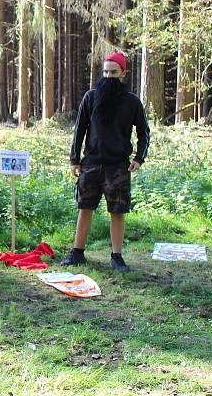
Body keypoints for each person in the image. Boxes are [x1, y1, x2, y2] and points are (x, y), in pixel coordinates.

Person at [62, 52, 150, 272]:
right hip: (90, 164)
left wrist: (139, 158)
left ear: (123, 74)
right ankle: (77, 252)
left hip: (118, 167)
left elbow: (143, 132)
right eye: (105, 72)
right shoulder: (90, 98)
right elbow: (79, 130)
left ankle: (117, 257)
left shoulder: (132, 102)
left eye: (114, 72)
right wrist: (75, 160)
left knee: (118, 212)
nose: (109, 76)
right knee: (85, 208)